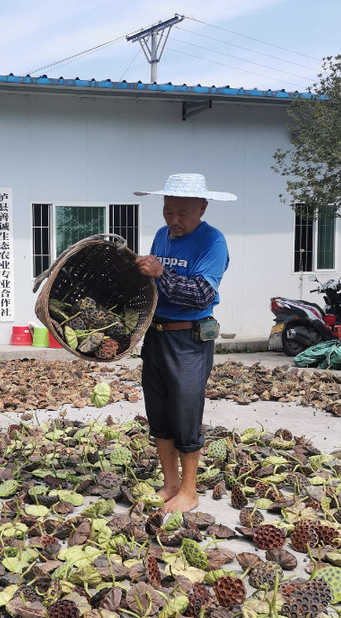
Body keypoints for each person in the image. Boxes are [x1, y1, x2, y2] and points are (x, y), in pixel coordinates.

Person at [133, 174, 236, 512]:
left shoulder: (213, 242)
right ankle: (170, 483)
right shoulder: (162, 236)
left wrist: (161, 273)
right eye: (167, 212)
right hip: (157, 333)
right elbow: (152, 287)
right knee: (159, 412)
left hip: (189, 338)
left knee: (185, 413)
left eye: (181, 214)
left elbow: (201, 294)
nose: (173, 221)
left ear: (201, 208)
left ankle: (190, 491)